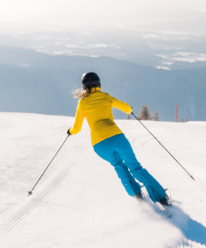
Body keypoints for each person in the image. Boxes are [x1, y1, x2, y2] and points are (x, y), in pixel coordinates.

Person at [64, 72, 172, 206]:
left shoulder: (82, 103)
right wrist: (130, 109)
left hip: (99, 145)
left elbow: (77, 128)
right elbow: (126, 108)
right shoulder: (106, 97)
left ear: (84, 86)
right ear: (98, 84)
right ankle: (161, 198)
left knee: (118, 166)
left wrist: (70, 131)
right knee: (135, 167)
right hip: (117, 138)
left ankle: (137, 195)